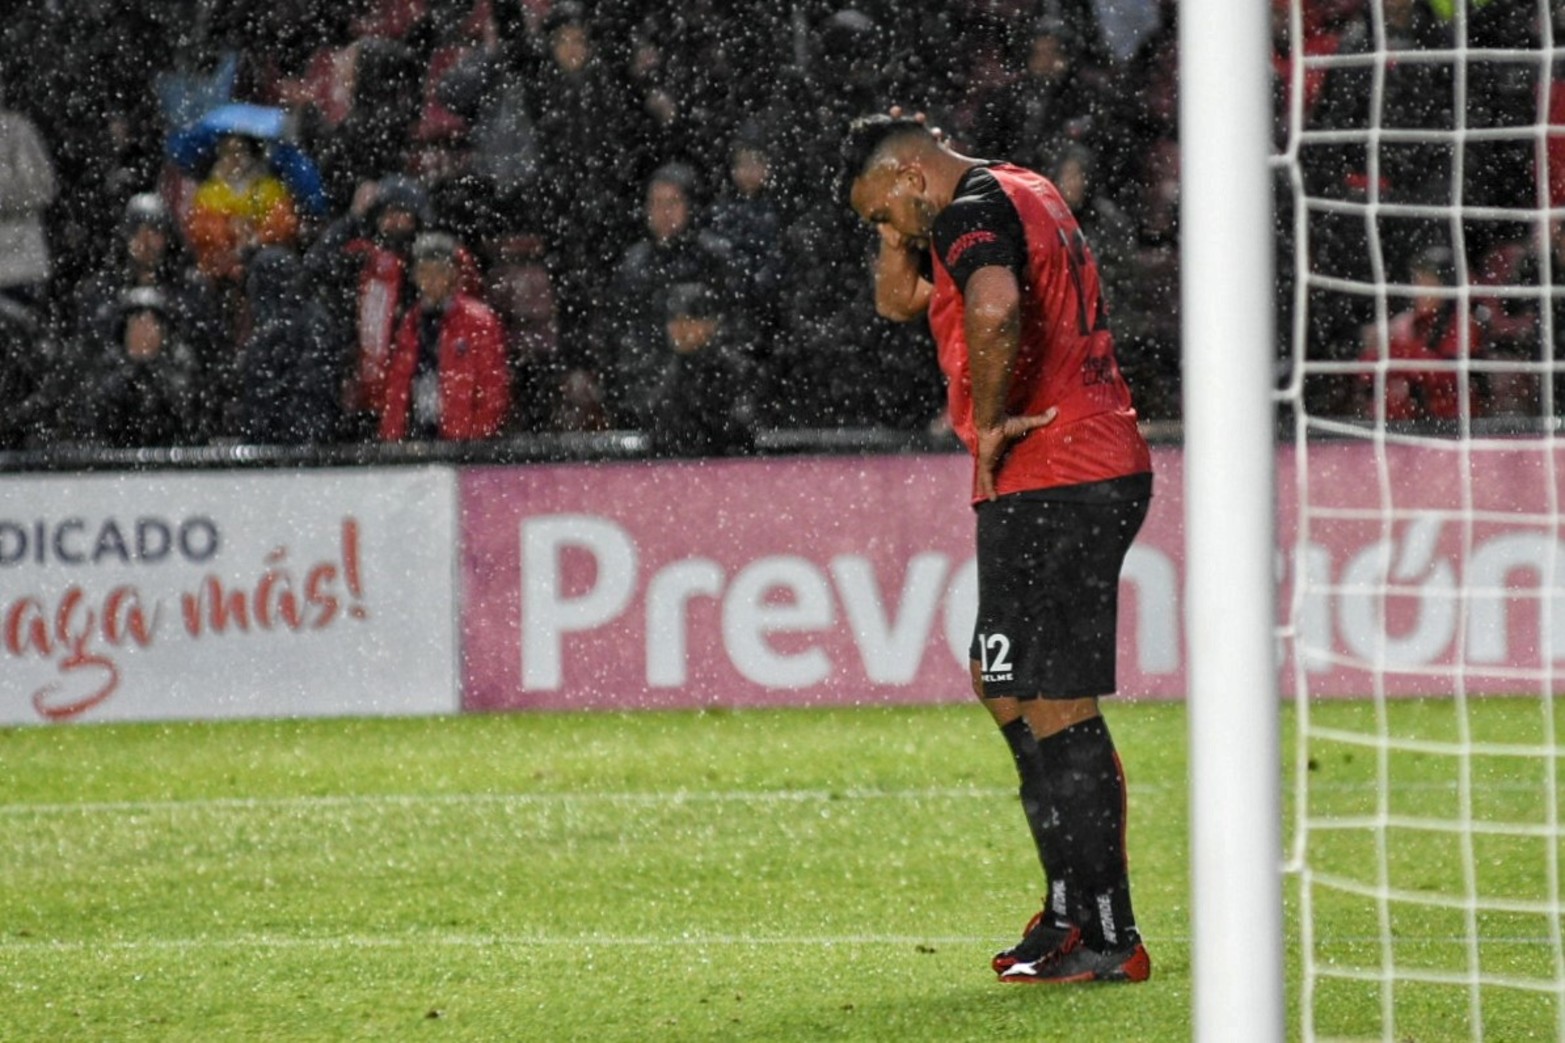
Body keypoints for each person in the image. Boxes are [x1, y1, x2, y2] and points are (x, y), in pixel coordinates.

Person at [840, 113, 1153, 984]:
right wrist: (899, 229)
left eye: (880, 213)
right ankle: (1064, 907)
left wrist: (987, 419)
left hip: (1057, 467)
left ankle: (1108, 932)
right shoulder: (1019, 187)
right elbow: (898, 300)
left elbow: (995, 302)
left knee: (1052, 697)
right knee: (1001, 676)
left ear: (909, 174)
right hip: (1071, 467)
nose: (886, 234)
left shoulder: (971, 206)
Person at [378, 231, 509, 442]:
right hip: (417, 438)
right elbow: (397, 387)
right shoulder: (411, 322)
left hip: (462, 444)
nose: (431, 280)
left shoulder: (479, 321)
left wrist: (474, 438)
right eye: (424, 272)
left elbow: (493, 388)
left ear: (453, 275)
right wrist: (392, 437)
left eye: (439, 271)